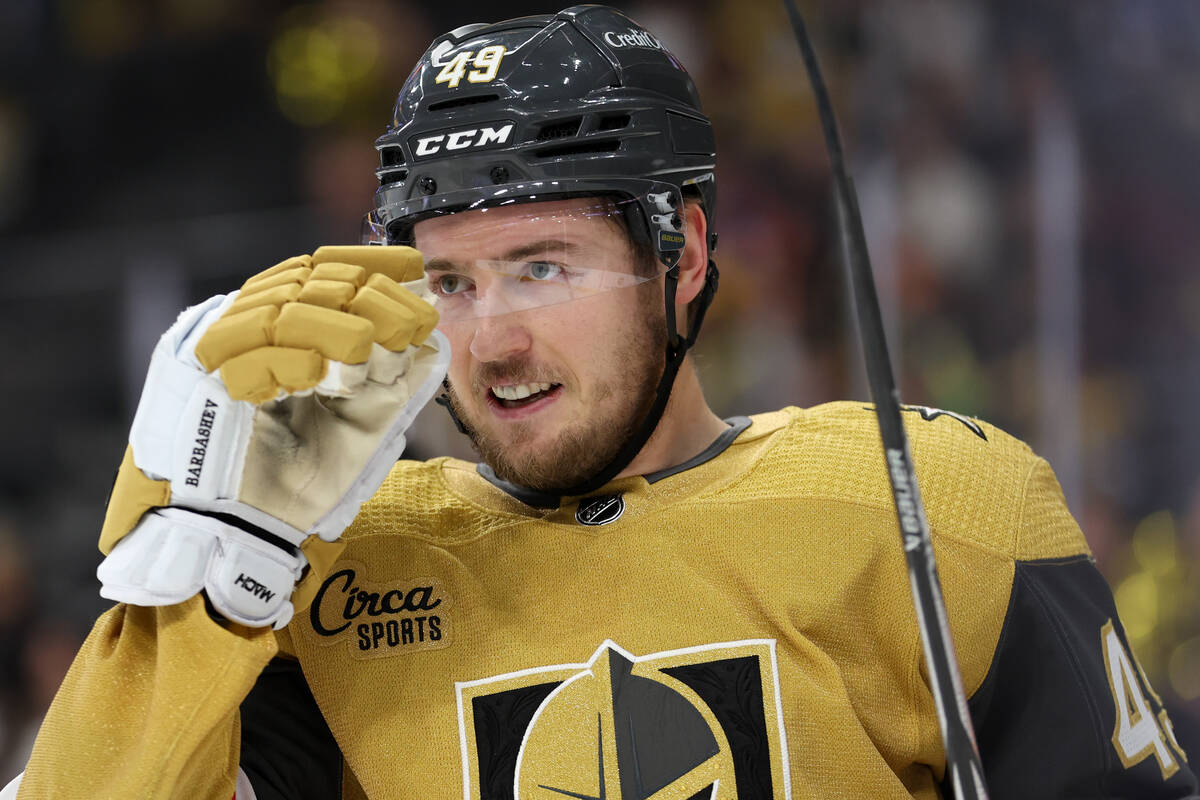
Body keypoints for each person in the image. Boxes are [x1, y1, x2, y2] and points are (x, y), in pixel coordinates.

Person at [5, 6, 1197, 800]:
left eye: (544, 265)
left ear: (681, 257)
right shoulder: (329, 575)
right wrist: (202, 559)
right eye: (449, 281)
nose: (493, 335)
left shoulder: (930, 504)